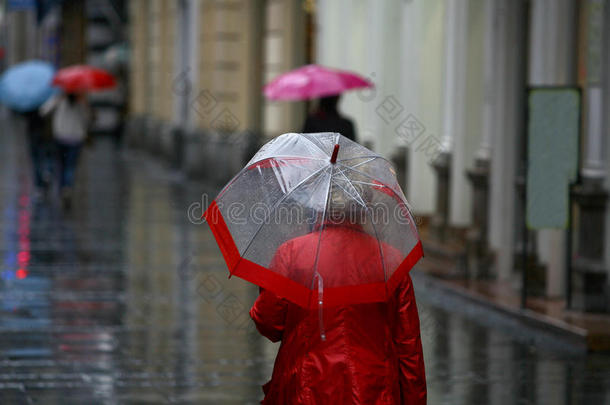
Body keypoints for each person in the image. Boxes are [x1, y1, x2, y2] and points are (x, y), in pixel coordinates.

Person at [249, 198, 427, 404]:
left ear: (318, 206)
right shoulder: (392, 261)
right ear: (364, 208)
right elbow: (408, 346)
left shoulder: (290, 253)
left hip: (305, 390)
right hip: (374, 392)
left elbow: (268, 323)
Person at [40, 92, 90, 207]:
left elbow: (43, 111)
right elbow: (87, 119)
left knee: (62, 164)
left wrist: (56, 101)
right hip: (75, 138)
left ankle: (63, 186)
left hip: (61, 137)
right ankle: (67, 187)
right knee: (70, 165)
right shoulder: (80, 102)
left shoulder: (59, 99)